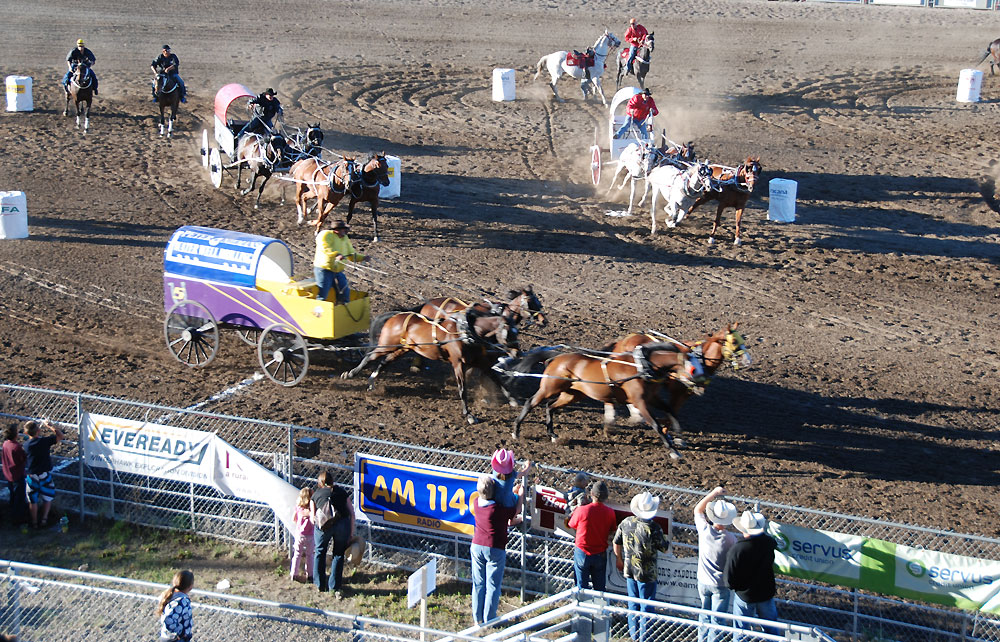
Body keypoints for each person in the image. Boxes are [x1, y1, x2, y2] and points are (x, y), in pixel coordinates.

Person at [613, 491, 671, 642]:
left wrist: (619, 559)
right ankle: (646, 637)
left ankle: (634, 635)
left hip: (630, 569)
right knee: (647, 605)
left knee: (633, 601)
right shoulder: (654, 528)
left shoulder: (626, 522)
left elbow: (616, 541)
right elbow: (664, 548)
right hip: (647, 572)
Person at [470, 474, 520, 626]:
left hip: (477, 545)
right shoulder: (498, 509)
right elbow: (514, 513)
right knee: (492, 585)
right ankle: (489, 619)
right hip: (495, 548)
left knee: (478, 583)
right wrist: (520, 494)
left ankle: (477, 618)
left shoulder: (476, 503)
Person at [723, 508, 779, 641]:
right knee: (771, 629)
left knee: (741, 631)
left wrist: (736, 587)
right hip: (765, 593)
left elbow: (728, 580)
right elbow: (772, 542)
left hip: (745, 595)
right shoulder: (768, 543)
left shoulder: (737, 550)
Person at [695, 487, 739, 642]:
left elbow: (698, 510)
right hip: (720, 583)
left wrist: (713, 493)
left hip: (703, 580)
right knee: (718, 619)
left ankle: (702, 639)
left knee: (704, 614)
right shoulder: (731, 539)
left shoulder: (704, 530)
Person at [566, 480, 617, 592]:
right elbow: (613, 529)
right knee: (599, 588)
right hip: (600, 552)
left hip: (582, 551)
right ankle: (598, 608)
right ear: (606, 497)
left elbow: (570, 524)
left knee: (581, 586)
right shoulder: (610, 512)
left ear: (591, 494)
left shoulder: (582, 510)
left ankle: (582, 607)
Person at [311, 471, 355, 596]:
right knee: (338, 554)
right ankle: (334, 586)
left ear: (320, 482)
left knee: (320, 551)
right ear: (332, 481)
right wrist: (351, 533)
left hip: (324, 525)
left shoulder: (316, 495)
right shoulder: (342, 492)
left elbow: (312, 517)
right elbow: (351, 513)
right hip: (342, 524)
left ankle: (319, 584)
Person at [313, 220, 365, 304]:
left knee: (344, 291)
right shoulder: (325, 235)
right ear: (337, 230)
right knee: (323, 293)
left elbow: (351, 254)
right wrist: (336, 255)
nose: (346, 231)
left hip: (337, 270)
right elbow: (325, 248)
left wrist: (363, 258)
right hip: (324, 269)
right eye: (344, 229)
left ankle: (341, 310)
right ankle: (318, 313)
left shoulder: (345, 238)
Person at [24, 420, 62, 529]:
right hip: (44, 475)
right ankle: (44, 519)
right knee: (47, 497)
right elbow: (60, 436)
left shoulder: (26, 445)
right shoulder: (44, 442)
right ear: (39, 431)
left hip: (32, 476)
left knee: (33, 500)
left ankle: (34, 522)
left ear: (26, 433)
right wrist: (51, 426)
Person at [489, 447, 532, 511]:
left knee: (509, 490)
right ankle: (518, 511)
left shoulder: (495, 472)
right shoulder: (512, 474)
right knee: (521, 491)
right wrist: (528, 466)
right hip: (509, 503)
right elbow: (524, 473)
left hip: (497, 500)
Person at [158, 569, 194, 642]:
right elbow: (168, 619)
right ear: (190, 586)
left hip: (167, 637)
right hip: (176, 639)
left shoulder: (170, 596)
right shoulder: (182, 600)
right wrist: (178, 634)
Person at [2, 425, 27, 526]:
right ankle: (18, 520)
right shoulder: (16, 447)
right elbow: (23, 459)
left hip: (8, 474)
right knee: (19, 498)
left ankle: (13, 516)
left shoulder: (5, 444)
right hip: (17, 475)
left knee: (13, 495)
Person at [290, 487, 315, 583]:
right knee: (310, 555)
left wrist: (298, 525)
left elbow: (294, 519)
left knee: (297, 554)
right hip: (310, 535)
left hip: (300, 534)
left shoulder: (298, 508)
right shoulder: (311, 510)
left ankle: (294, 574)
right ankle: (310, 574)